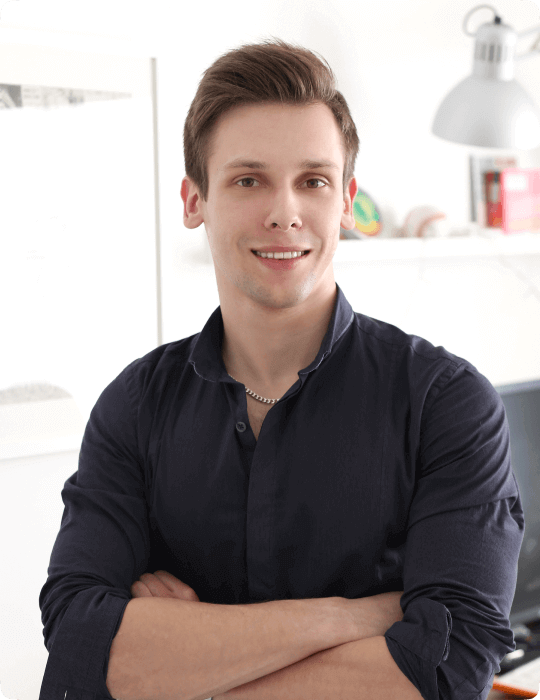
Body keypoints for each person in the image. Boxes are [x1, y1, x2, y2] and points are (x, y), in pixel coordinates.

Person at [38, 38, 524, 700]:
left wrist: (186, 669)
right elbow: (79, 643)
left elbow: (449, 668)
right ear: (194, 201)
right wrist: (351, 618)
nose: (284, 213)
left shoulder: (446, 403)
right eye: (248, 180)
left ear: (346, 200)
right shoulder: (135, 405)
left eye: (313, 181)